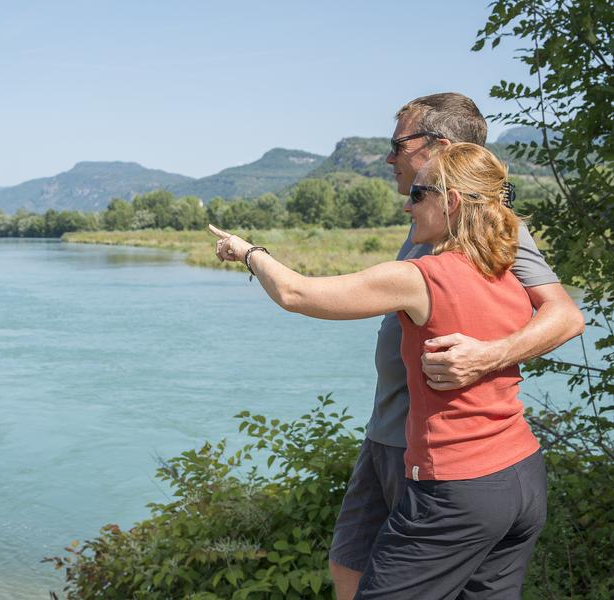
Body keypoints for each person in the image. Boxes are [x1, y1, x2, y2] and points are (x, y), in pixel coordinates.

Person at [208, 142, 555, 597]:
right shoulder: (509, 274)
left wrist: (248, 251)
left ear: (450, 202)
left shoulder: (420, 276)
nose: (407, 204)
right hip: (522, 479)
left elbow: (299, 294)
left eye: (418, 194)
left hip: (455, 490)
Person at [321, 93, 584, 600]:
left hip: (432, 453)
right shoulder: (427, 216)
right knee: (348, 564)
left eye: (399, 143)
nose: (389, 156)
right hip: (386, 433)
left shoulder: (492, 226)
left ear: (438, 148)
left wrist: (488, 355)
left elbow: (565, 315)